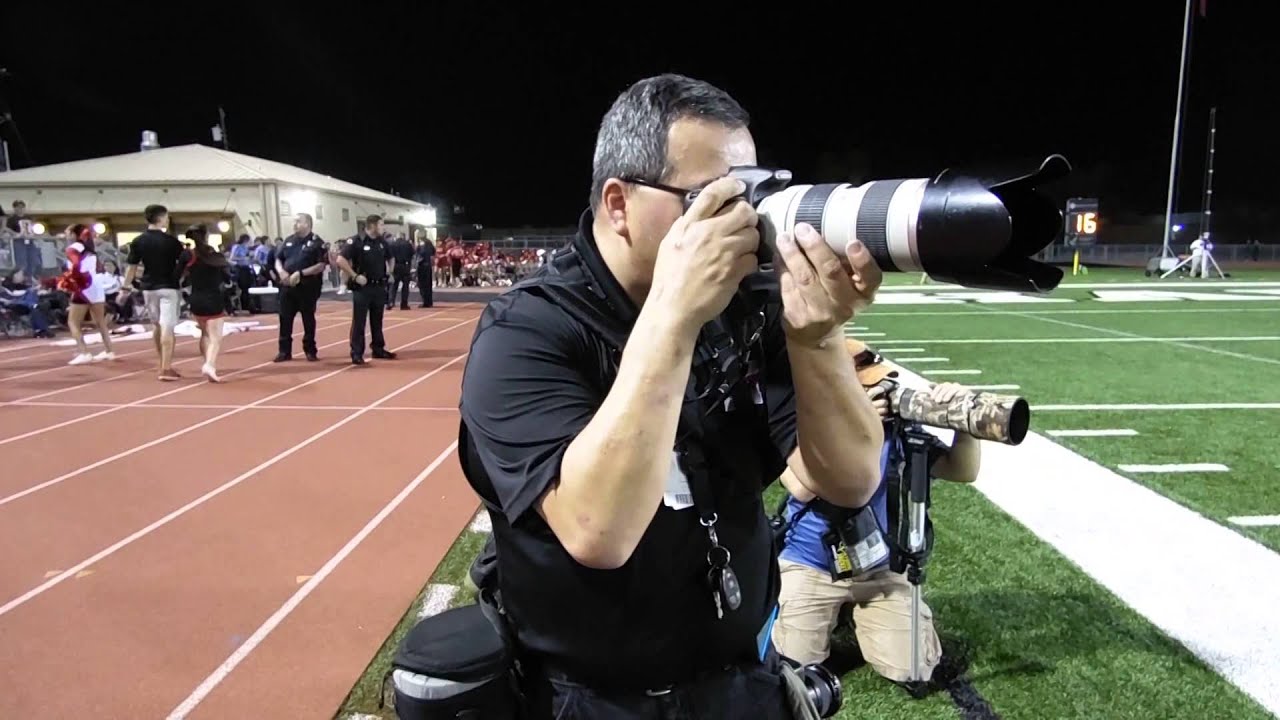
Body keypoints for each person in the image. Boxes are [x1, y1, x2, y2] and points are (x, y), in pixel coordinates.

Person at [457, 74, 885, 718]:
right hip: (589, 701)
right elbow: (598, 532)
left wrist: (817, 336)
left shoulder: (745, 306)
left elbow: (850, 480)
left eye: (752, 194)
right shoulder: (526, 330)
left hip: (745, 680)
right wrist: (675, 315)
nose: (745, 220)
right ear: (619, 204)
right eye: (712, 198)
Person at [771, 340, 981, 687]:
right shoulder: (797, 426)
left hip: (880, 568)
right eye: (867, 385)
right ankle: (831, 611)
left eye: (881, 382)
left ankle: (859, 614)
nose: (882, 392)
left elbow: (962, 470)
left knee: (914, 668)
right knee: (793, 667)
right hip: (811, 563)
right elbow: (803, 487)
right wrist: (852, 426)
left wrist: (963, 421)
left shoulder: (899, 432)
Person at [120, 204, 185, 381]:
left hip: (148, 288)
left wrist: (125, 288)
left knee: (157, 325)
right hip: (169, 286)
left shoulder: (138, 241)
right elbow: (183, 264)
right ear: (161, 218)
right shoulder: (172, 242)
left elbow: (132, 267)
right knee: (167, 327)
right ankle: (166, 368)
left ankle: (161, 362)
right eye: (167, 217)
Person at [335, 215, 396, 365]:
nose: (383, 228)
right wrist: (354, 276)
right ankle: (356, 352)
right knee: (359, 321)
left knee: (377, 320)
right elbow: (340, 260)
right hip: (363, 287)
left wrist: (390, 272)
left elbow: (391, 257)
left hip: (379, 286)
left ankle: (378, 348)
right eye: (381, 225)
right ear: (372, 225)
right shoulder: (356, 241)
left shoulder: (382, 242)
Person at [179, 225, 232, 382]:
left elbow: (178, 276)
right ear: (206, 236)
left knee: (205, 334)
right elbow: (227, 277)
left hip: (196, 299)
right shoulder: (214, 256)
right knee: (215, 337)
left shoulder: (188, 255)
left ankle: (207, 361)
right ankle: (209, 364)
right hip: (213, 299)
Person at [273, 213, 329, 362]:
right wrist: (281, 271)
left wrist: (301, 273)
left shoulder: (317, 243)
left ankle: (310, 350)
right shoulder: (288, 240)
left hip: (307, 287)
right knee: (285, 318)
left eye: (298, 221)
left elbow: (321, 265)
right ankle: (284, 351)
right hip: (287, 286)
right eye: (294, 221)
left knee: (308, 319)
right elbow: (278, 259)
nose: (294, 224)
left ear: (307, 224)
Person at [59, 225, 117, 365]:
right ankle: (109, 350)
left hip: (84, 285)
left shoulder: (73, 248)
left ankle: (84, 352)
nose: (65, 234)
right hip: (96, 285)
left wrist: (70, 280)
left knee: (73, 322)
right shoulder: (90, 249)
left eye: (68, 232)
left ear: (74, 234)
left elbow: (76, 266)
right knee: (100, 321)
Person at [388, 233, 415, 311]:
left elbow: (389, 256)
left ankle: (391, 302)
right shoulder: (408, 244)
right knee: (405, 286)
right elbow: (412, 254)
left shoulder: (392, 244)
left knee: (393, 286)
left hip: (395, 265)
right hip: (405, 266)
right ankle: (404, 303)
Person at [414, 235, 436, 308]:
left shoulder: (421, 245)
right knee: (428, 284)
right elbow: (433, 253)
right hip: (428, 266)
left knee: (422, 284)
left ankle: (425, 301)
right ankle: (429, 301)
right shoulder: (430, 244)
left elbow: (420, 255)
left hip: (422, 266)